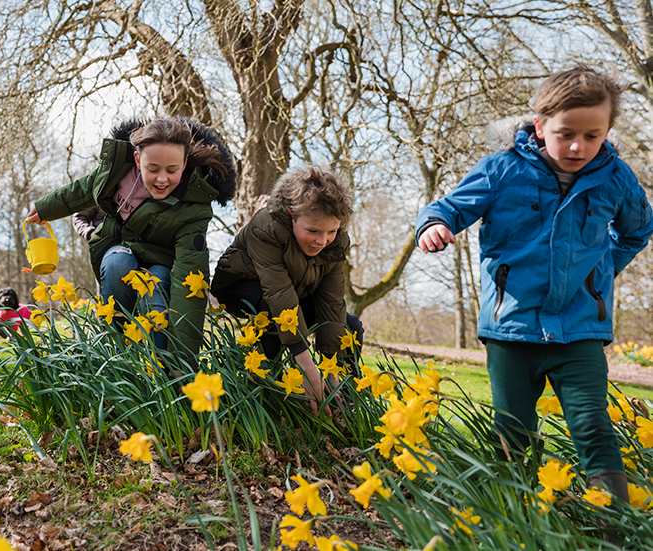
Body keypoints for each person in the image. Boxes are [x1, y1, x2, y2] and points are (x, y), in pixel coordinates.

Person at [416, 65, 653, 503]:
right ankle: (512, 517)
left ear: (608, 130)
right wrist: (434, 225)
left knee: (592, 426)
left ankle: (614, 526)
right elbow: (448, 207)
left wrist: (601, 274)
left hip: (579, 331)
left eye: (593, 135)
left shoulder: (616, 179)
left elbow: (637, 231)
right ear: (541, 126)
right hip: (512, 330)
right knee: (512, 433)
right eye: (566, 134)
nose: (578, 146)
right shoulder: (501, 170)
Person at [26, 117, 236, 368]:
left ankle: (163, 369)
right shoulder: (119, 172)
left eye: (172, 170)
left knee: (155, 287)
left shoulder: (195, 208)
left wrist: (183, 363)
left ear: (185, 164)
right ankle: (116, 355)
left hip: (163, 262)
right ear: (138, 161)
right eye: (153, 168)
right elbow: (84, 189)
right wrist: (45, 208)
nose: (162, 179)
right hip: (120, 248)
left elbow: (189, 282)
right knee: (117, 262)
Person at [210, 165, 364, 414]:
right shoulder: (267, 227)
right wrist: (306, 365)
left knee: (350, 326)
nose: (322, 241)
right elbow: (278, 295)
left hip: (292, 291)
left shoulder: (336, 243)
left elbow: (331, 302)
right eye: (313, 231)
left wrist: (329, 366)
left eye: (331, 231)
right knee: (271, 312)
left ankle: (342, 402)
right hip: (241, 285)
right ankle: (263, 396)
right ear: (292, 215)